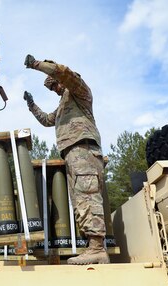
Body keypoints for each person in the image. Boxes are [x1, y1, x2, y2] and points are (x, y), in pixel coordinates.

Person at [23, 54, 109, 265]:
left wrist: (36, 65)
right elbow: (46, 121)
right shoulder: (63, 106)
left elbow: (64, 72)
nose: (55, 90)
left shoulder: (79, 92)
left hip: (83, 149)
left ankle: (97, 248)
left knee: (88, 196)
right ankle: (92, 247)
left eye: (55, 86)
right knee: (80, 200)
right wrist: (32, 105)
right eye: (51, 89)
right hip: (72, 153)